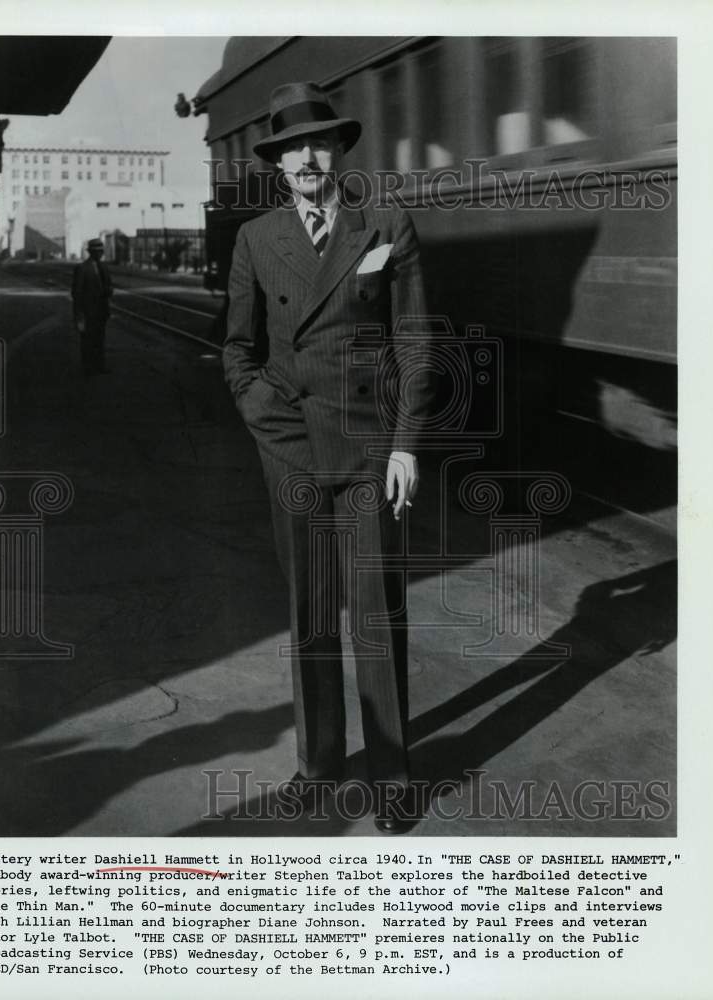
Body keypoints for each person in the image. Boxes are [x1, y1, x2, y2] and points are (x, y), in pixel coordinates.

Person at [223, 82, 433, 833]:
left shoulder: (385, 222)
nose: (307, 158)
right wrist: (259, 413)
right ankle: (318, 768)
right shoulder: (256, 239)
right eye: (291, 149)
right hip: (291, 450)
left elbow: (414, 340)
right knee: (310, 613)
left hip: (370, 451)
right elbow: (238, 348)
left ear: (339, 150)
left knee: (377, 616)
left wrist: (406, 445)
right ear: (278, 163)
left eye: (319, 144)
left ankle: (392, 775)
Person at [71, 237, 113, 375]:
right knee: (87, 341)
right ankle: (88, 368)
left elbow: (109, 287)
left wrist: (108, 291)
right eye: (98, 251)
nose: (100, 254)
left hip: (101, 311)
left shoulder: (104, 268)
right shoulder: (82, 268)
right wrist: (78, 314)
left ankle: (99, 366)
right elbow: (76, 292)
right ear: (91, 252)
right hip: (87, 312)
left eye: (101, 251)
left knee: (100, 340)